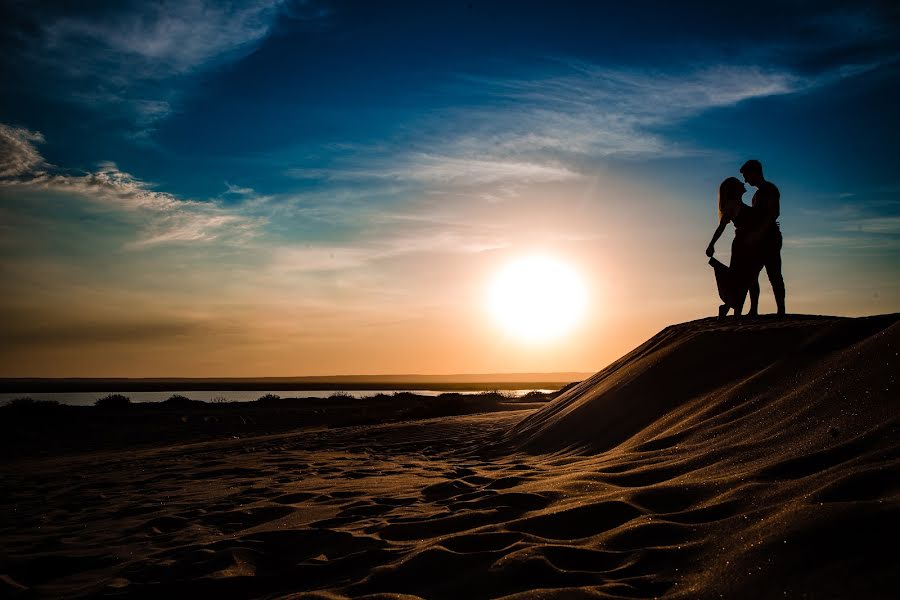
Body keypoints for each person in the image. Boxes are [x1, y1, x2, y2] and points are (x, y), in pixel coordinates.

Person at [706, 177, 766, 319]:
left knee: (751, 277)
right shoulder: (732, 206)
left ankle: (747, 310)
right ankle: (737, 311)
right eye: (739, 183)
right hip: (742, 246)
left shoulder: (740, 203)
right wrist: (711, 244)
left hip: (752, 244)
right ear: (734, 189)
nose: (743, 183)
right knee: (742, 279)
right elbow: (721, 227)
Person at [740, 159, 785, 316]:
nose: (745, 180)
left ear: (754, 172)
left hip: (770, 239)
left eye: (746, 175)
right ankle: (754, 310)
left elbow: (774, 213)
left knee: (774, 274)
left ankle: (781, 310)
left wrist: (759, 233)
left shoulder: (770, 189)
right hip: (759, 240)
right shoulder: (757, 195)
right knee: (752, 275)